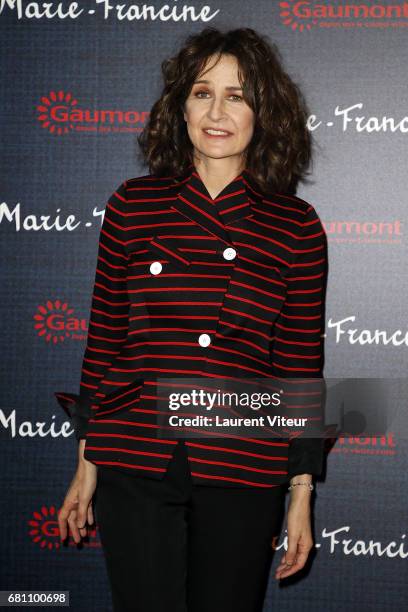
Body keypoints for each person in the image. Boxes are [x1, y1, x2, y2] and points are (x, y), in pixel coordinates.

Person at [55, 26, 328, 612]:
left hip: (243, 463)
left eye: (238, 95)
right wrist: (86, 460)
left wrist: (301, 491)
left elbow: (300, 366)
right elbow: (103, 340)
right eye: (203, 93)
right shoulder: (133, 205)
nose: (218, 111)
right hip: (137, 453)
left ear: (264, 113)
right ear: (180, 108)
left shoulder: (296, 225)